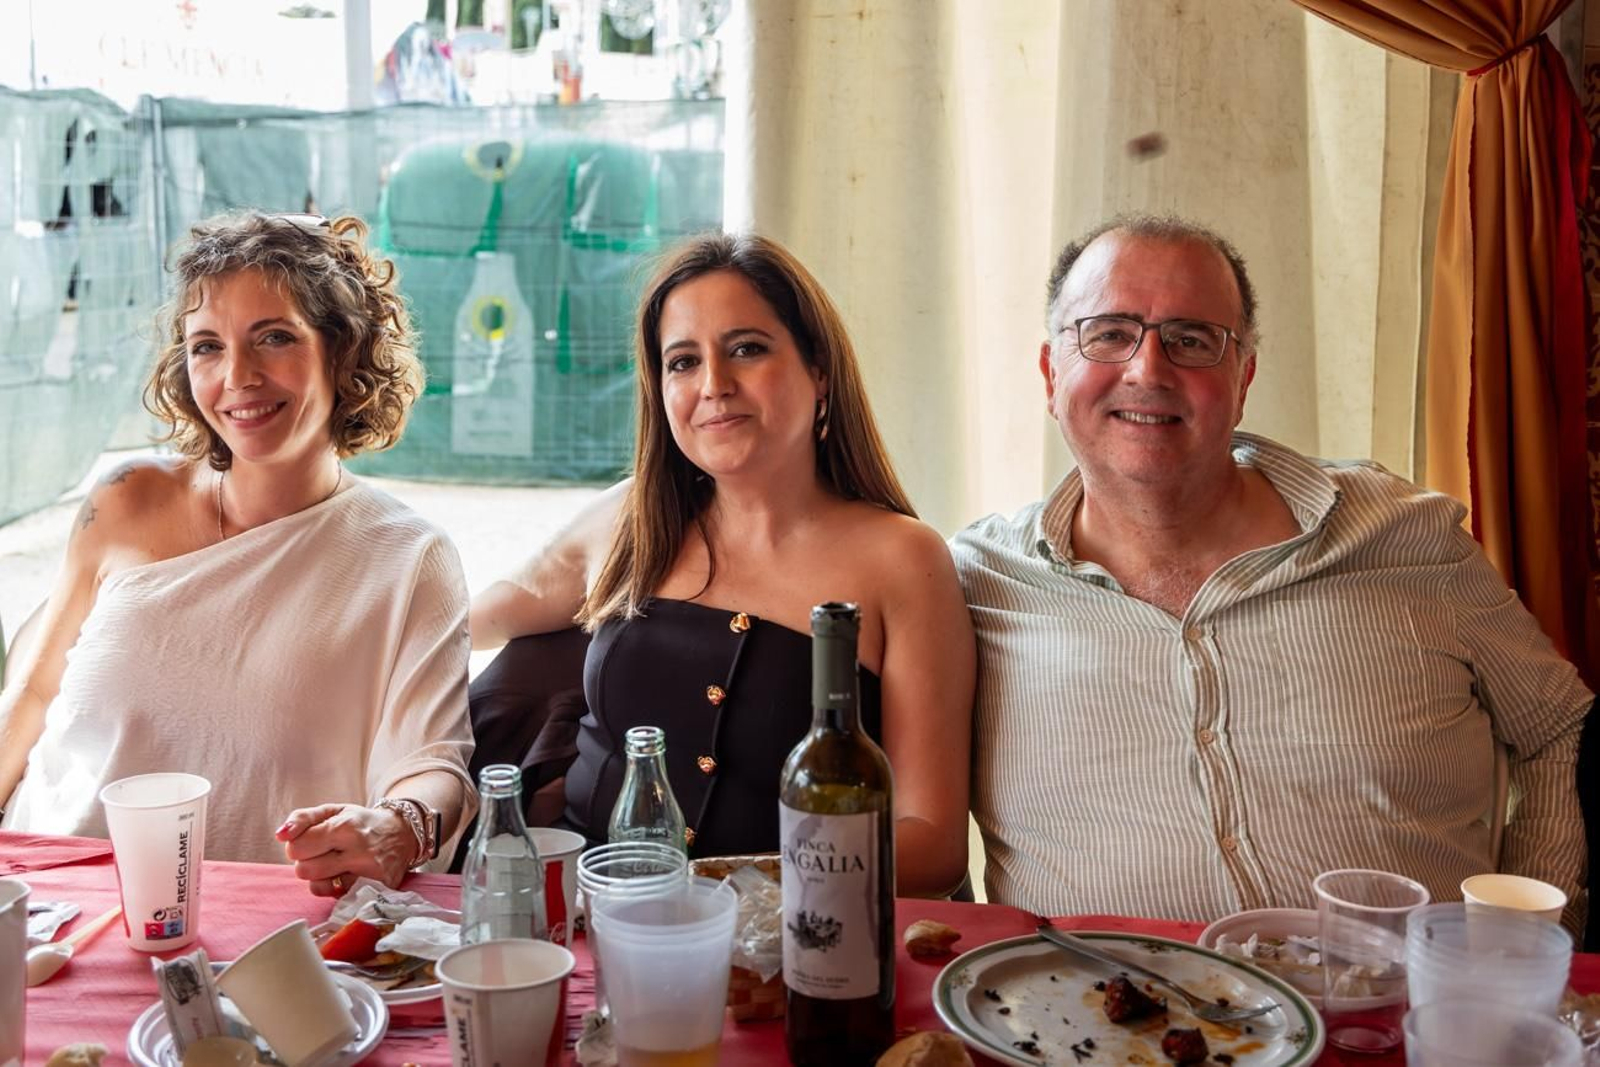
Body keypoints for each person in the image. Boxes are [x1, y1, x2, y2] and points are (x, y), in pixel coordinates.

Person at [951, 213, 1593, 928]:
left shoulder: (1407, 536)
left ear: (1243, 374)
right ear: (1050, 373)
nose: (1148, 369)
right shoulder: (974, 584)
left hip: (1396, 1026)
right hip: (1097, 1023)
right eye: (1108, 333)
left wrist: (1525, 941)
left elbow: (1558, 727)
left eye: (1192, 340)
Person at [471, 233, 975, 897]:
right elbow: (458, 623)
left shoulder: (903, 558)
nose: (714, 385)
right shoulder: (631, 520)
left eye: (747, 349)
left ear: (818, 369)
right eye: (683, 361)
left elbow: (934, 842)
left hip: (802, 955)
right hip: (597, 933)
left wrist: (726, 892)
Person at [0, 212, 476, 895]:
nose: (237, 376)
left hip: (260, 928)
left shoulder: (408, 557)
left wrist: (399, 824)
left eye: (273, 337)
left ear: (344, 351)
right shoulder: (126, 498)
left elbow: (434, 764)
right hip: (52, 897)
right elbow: (36, 690)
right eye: (206, 347)